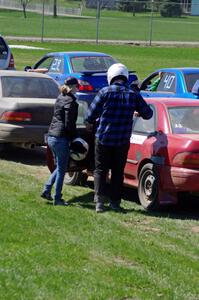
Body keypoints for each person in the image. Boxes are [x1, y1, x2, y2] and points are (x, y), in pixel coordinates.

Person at [85, 63, 153, 213]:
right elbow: (148, 113)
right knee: (118, 172)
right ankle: (115, 202)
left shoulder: (104, 92)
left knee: (100, 170)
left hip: (103, 138)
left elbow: (90, 115)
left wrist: (89, 123)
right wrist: (136, 111)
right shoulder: (133, 94)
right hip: (122, 140)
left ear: (111, 77)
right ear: (125, 77)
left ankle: (99, 202)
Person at [41, 76, 79, 206]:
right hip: (60, 138)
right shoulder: (70, 101)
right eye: (77, 86)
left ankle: (46, 189)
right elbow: (69, 123)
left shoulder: (60, 97)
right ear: (73, 87)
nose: (78, 88)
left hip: (51, 136)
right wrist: (74, 137)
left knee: (60, 166)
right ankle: (57, 198)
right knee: (62, 169)